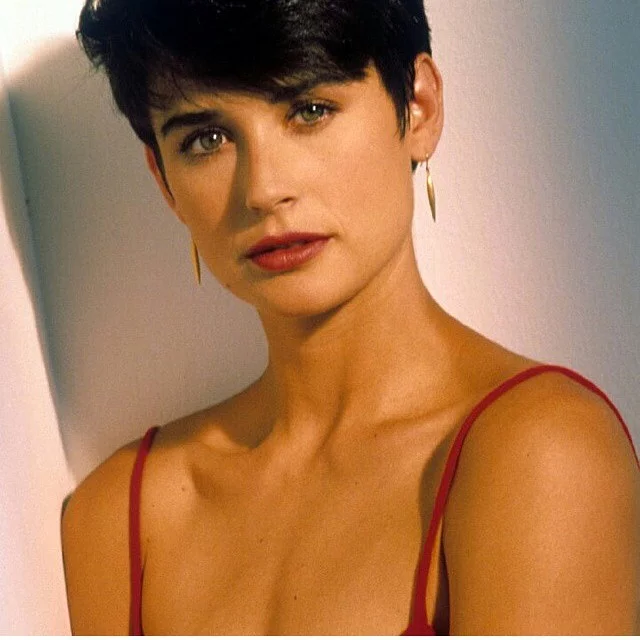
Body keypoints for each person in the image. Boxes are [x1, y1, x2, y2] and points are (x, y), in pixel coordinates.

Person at [61, 0, 640, 634]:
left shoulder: (540, 454)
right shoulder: (118, 518)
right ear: (164, 180)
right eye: (207, 139)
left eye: (309, 110)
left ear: (418, 107)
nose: (263, 189)